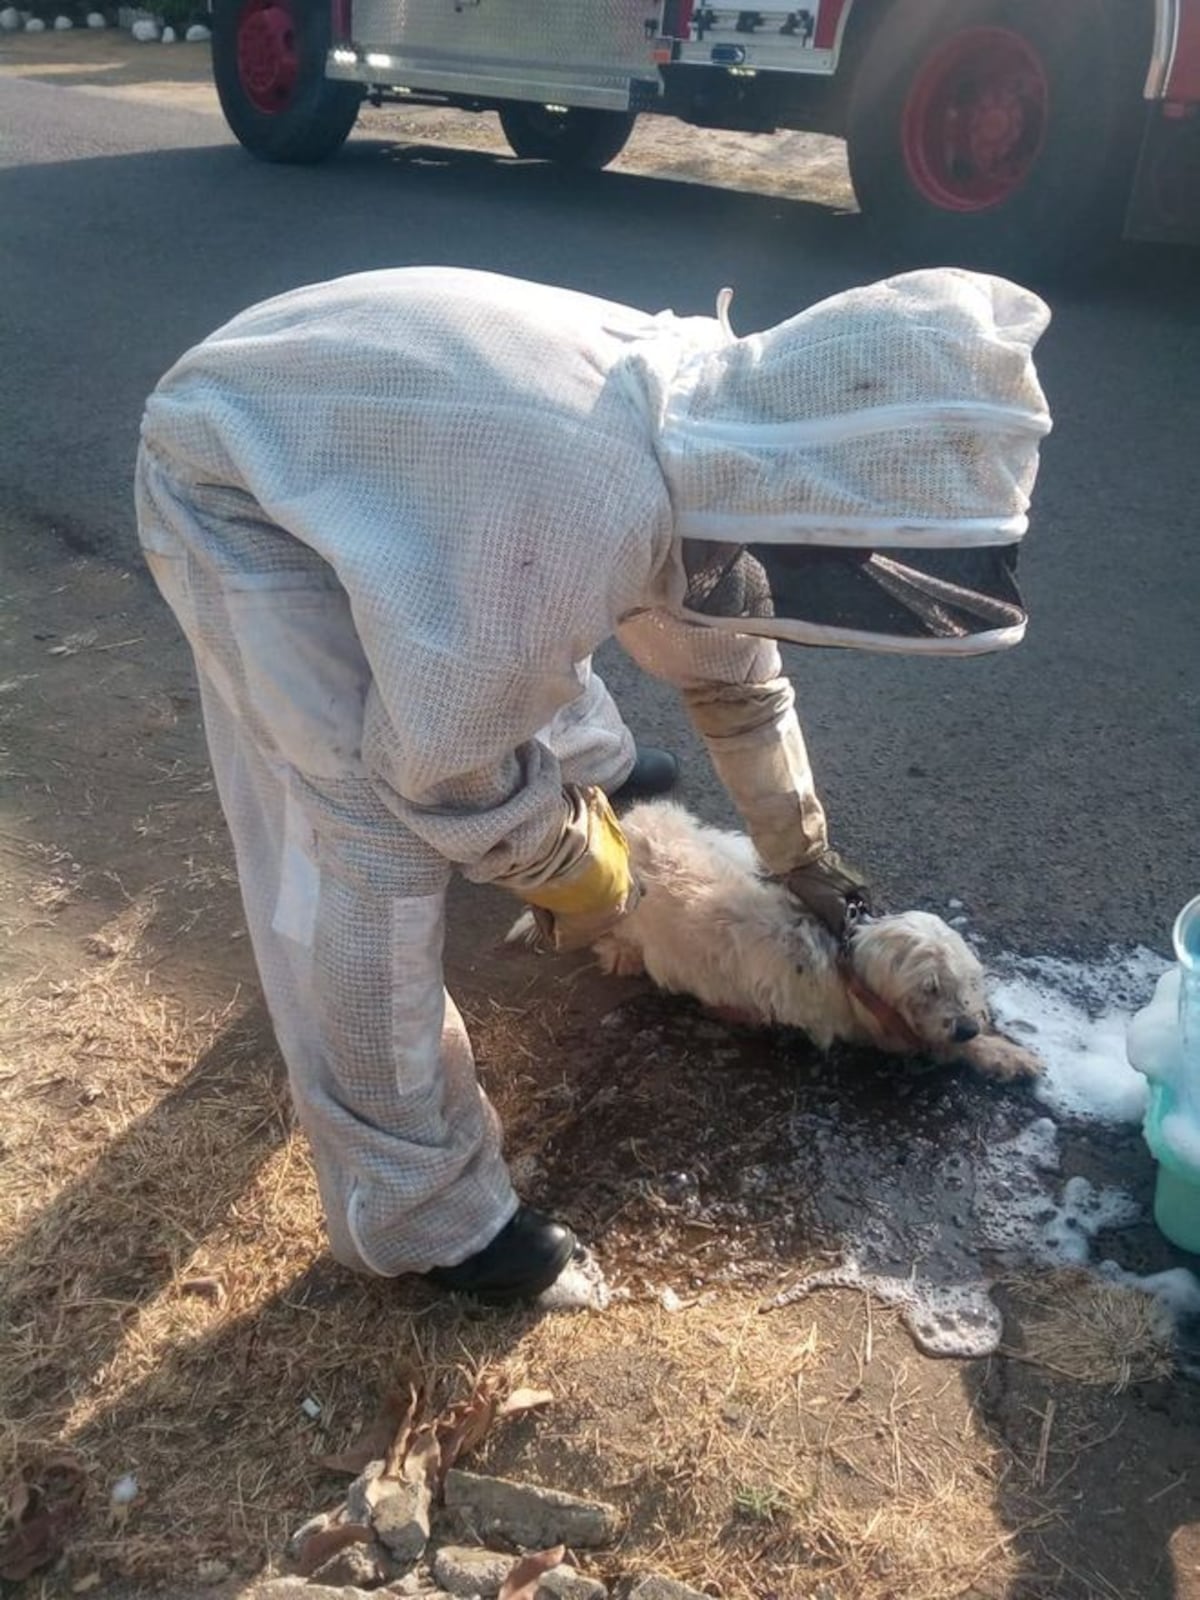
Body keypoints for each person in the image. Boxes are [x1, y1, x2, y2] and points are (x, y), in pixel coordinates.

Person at [135, 265, 1050, 1303]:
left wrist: (800, 852)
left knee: (517, 664)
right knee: (367, 829)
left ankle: (604, 783)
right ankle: (418, 1216)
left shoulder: (716, 423)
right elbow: (442, 769)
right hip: (238, 473)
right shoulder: (592, 501)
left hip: (405, 449)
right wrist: (590, 880)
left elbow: (730, 666)